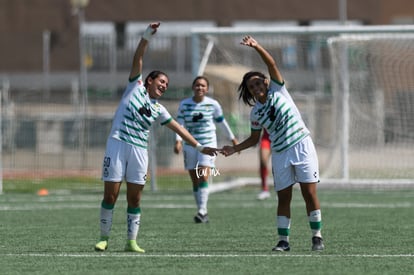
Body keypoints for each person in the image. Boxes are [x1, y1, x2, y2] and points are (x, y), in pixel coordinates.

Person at [94, 22, 218, 253]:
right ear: (149, 80)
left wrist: (200, 147)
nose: (164, 86)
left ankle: (131, 241)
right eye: (161, 81)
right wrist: (147, 35)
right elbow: (138, 57)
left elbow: (179, 129)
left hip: (140, 151)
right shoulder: (135, 86)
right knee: (111, 195)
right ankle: (104, 238)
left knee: (135, 198)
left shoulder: (159, 109)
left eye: (167, 85)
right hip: (118, 144)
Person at [220, 35, 324, 252]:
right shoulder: (255, 113)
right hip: (280, 154)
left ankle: (317, 236)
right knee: (283, 197)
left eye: (258, 82)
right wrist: (234, 149)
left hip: (301, 145)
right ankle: (283, 241)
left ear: (266, 82)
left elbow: (272, 64)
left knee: (309, 192)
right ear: (248, 91)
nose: (256, 86)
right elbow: (254, 139)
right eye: (251, 85)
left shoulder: (279, 91)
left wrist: (256, 46)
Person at [174, 76, 238, 223]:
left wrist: (232, 138)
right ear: (193, 87)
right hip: (190, 144)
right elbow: (180, 124)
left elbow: (221, 122)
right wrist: (178, 141)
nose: (200, 88)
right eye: (197, 85)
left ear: (207, 89)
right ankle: (201, 210)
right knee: (195, 179)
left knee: (203, 175)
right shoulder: (184, 105)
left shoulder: (213, 104)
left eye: (203, 86)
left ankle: (202, 211)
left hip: (208, 144)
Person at [257, 129, 271, 200]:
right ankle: (264, 189)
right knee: (263, 161)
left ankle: (282, 189)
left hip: (281, 136)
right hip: (267, 137)